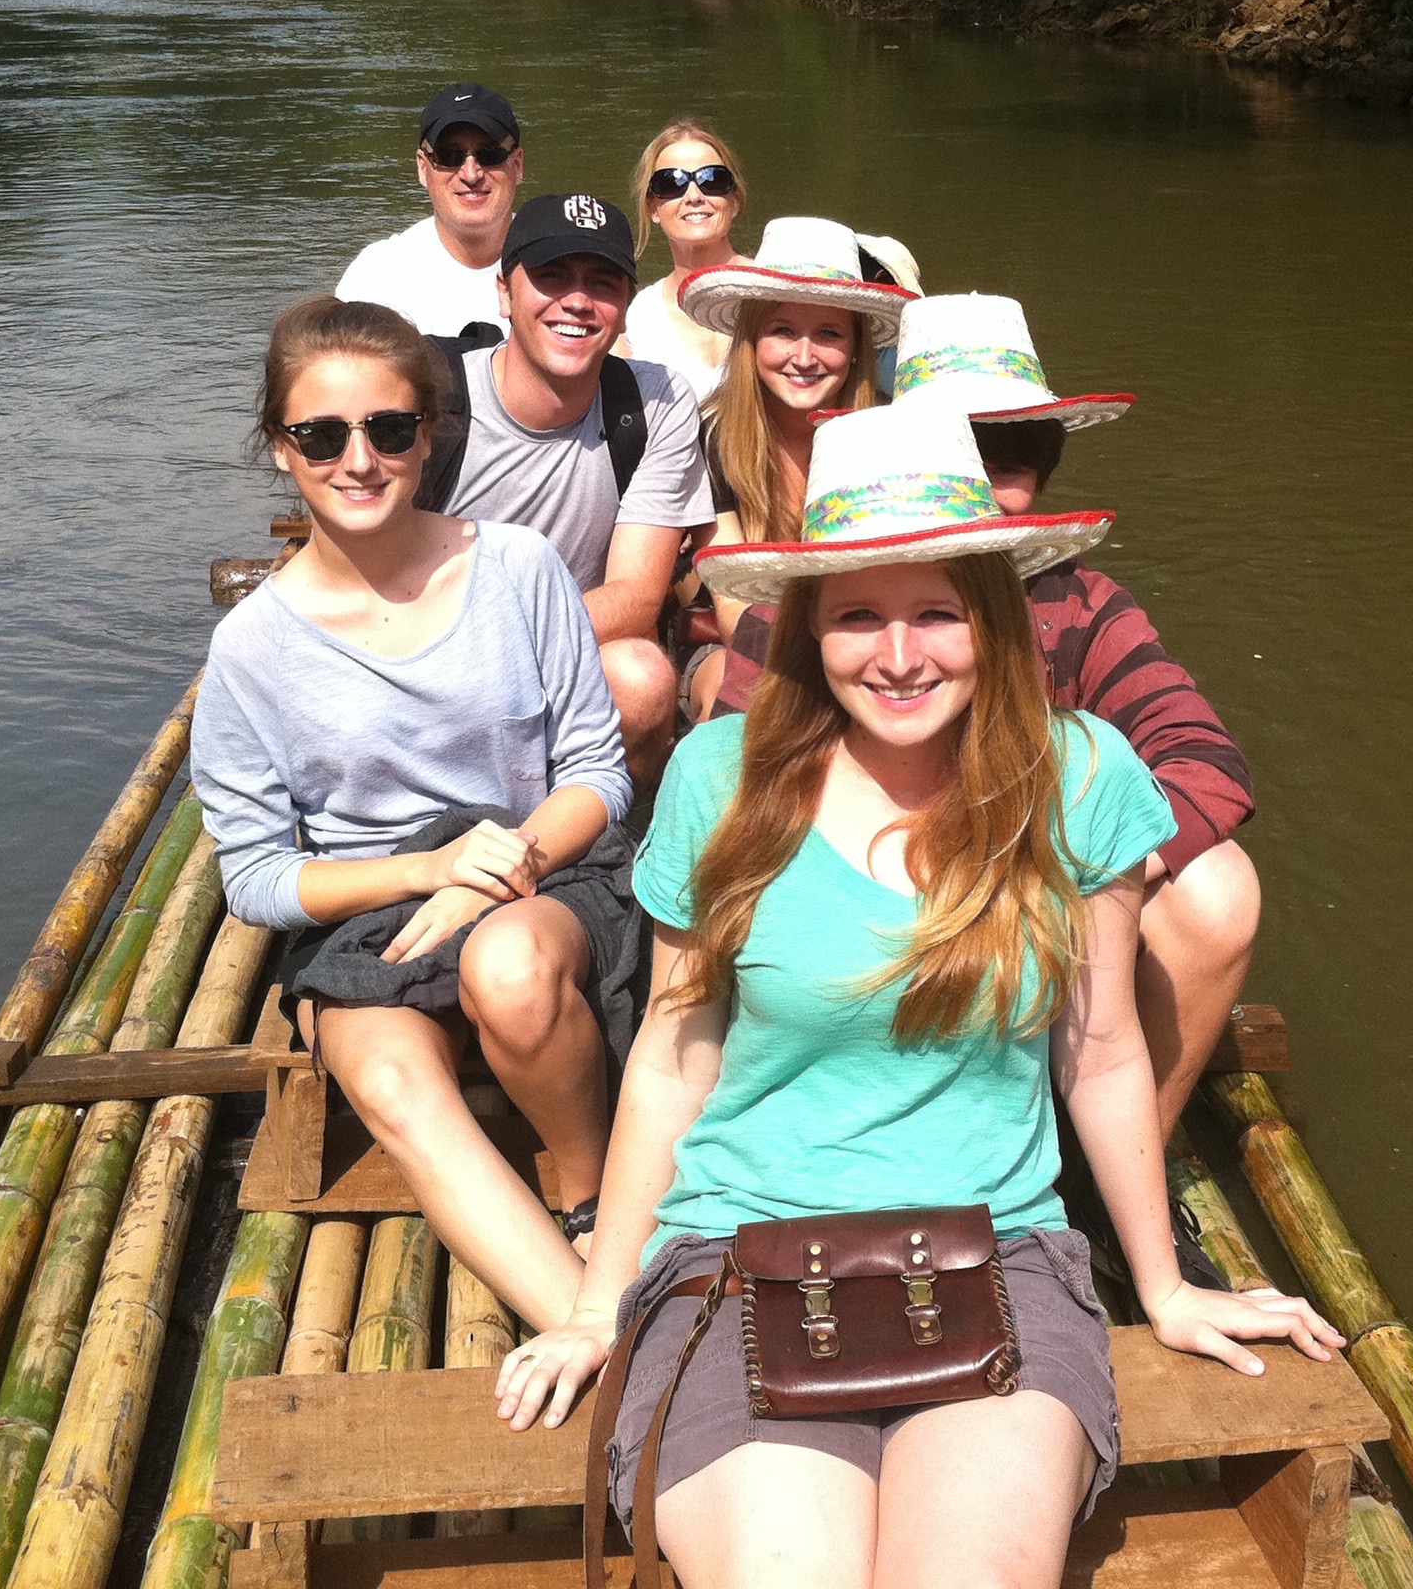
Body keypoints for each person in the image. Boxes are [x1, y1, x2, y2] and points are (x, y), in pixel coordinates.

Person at [491, 404, 1342, 1589]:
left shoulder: (1081, 771)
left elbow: (1097, 1054)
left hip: (996, 1254)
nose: (899, 655)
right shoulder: (718, 779)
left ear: (994, 617)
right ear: (808, 629)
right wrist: (598, 1301)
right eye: (858, 617)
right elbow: (676, 1051)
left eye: (938, 611)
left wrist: (1162, 1284)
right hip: (740, 1250)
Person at [714, 297, 1260, 1195]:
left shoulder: (1085, 603)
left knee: (1219, 886)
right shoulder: (804, 603)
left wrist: (1086, 879)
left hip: (1033, 903)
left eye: (1011, 464)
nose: (986, 491)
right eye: (964, 460)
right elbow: (732, 776)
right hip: (853, 909)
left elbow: (1204, 756)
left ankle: (1109, 1183)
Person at [192, 296, 638, 1328]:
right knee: (389, 1079)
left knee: (511, 970)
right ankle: (595, 1335)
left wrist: (506, 860)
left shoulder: (519, 569)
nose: (360, 458)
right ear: (280, 447)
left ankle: (592, 1199)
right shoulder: (252, 649)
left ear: (427, 435)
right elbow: (255, 876)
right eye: (323, 434)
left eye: (390, 429)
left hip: (543, 869)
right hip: (377, 906)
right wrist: (421, 873)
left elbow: (598, 774)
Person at [427, 191, 712, 774]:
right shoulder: (430, 395)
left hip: (568, 646)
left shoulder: (654, 401)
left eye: (603, 283)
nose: (577, 302)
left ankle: (610, 836)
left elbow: (634, 597)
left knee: (641, 674)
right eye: (552, 277)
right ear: (505, 292)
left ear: (628, 306)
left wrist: (502, 646)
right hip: (425, 644)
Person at [668, 215, 912, 717]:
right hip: (737, 640)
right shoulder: (705, 435)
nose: (805, 356)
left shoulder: (893, 431)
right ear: (753, 340)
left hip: (870, 632)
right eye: (783, 331)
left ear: (855, 346)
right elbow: (736, 610)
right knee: (740, 685)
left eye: (828, 334)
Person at [335, 83, 525, 338]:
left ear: (518, 164)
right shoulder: (377, 277)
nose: (471, 174)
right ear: (423, 168)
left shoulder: (562, 265)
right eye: (449, 156)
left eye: (490, 154)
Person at [615, 120, 751, 406]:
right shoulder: (635, 319)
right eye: (671, 183)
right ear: (652, 208)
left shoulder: (776, 289)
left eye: (712, 180)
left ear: (734, 200)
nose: (693, 196)